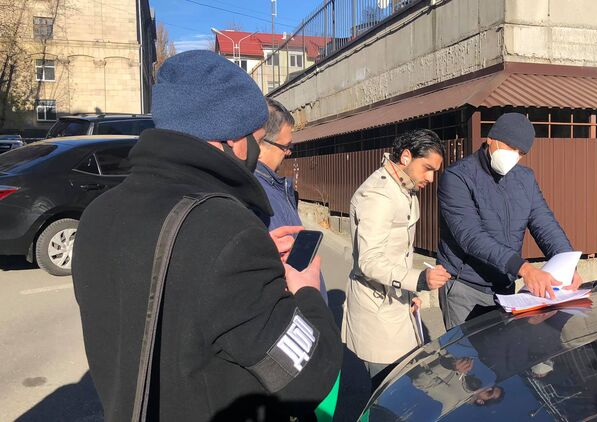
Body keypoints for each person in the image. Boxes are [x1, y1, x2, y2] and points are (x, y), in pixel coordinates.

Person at [72, 50, 341, 421]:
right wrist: (307, 289)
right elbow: (310, 376)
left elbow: (176, 291)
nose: (255, 151)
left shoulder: (98, 213)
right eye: (255, 138)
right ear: (233, 138)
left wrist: (253, 263)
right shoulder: (226, 229)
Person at [437, 113, 582, 330]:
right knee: (466, 350)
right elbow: (470, 236)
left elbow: (545, 224)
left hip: (505, 286)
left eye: (520, 152)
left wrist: (568, 264)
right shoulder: (458, 177)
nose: (514, 155)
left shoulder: (525, 178)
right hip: (466, 286)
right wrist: (523, 268)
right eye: (510, 147)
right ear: (491, 139)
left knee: (504, 348)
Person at [342, 129, 451, 387]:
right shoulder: (379, 195)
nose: (431, 178)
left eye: (434, 171)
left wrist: (409, 292)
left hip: (396, 301)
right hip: (377, 310)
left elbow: (397, 253)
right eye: (427, 168)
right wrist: (419, 280)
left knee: (403, 382)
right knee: (388, 389)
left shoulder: (404, 189)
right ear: (405, 157)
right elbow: (370, 261)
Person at [254, 98, 327, 303]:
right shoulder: (257, 194)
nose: (288, 152)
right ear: (260, 142)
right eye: (285, 146)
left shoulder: (274, 186)